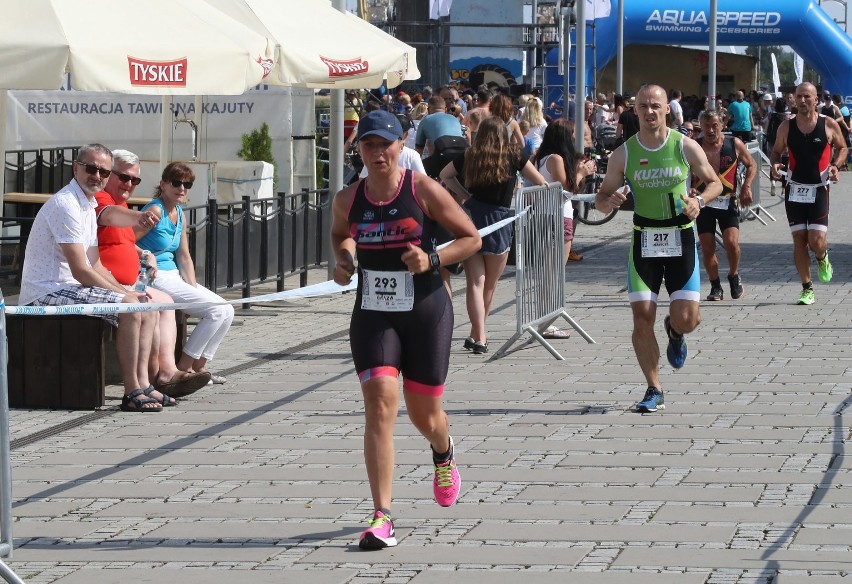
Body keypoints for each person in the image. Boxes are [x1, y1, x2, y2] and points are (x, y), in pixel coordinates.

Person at [330, 111, 481, 550]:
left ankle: (443, 450)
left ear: (402, 146)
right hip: (374, 314)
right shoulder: (347, 198)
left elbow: (470, 238)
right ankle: (382, 515)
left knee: (425, 416)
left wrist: (432, 259)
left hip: (426, 311)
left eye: (385, 144)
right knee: (379, 403)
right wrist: (343, 260)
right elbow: (342, 235)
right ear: (358, 150)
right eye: (368, 145)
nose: (377, 153)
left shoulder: (423, 190)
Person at [594, 84, 723, 413]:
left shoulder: (684, 146)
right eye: (643, 106)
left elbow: (715, 183)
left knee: (688, 319)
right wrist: (610, 200)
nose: (649, 111)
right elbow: (600, 200)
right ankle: (654, 388)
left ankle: (676, 332)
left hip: (680, 237)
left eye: (655, 105)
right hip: (644, 239)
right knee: (641, 319)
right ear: (634, 110)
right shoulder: (623, 154)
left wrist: (699, 201)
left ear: (667, 109)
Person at [19, 144, 166, 412]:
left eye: (104, 172)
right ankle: (131, 391)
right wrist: (124, 296)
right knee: (131, 308)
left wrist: (125, 291)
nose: (97, 176)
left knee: (146, 305)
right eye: (91, 168)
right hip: (45, 292)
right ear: (76, 168)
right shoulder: (66, 203)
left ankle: (144, 385)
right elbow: (80, 270)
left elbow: (95, 263)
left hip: (66, 288)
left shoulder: (87, 203)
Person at [95, 149, 212, 398]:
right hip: (106, 281)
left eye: (134, 180)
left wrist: (142, 253)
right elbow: (108, 219)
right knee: (145, 307)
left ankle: (165, 372)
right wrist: (142, 217)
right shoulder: (102, 201)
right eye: (123, 177)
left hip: (131, 279)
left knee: (165, 303)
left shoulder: (121, 202)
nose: (129, 184)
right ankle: (143, 382)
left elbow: (127, 241)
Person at [440, 116, 548, 354]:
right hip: (500, 220)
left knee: (475, 284)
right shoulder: (513, 155)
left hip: (471, 220)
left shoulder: (471, 154)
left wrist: (464, 194)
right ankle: (479, 335)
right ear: (504, 135)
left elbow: (445, 174)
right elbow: (539, 180)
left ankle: (477, 335)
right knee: (490, 285)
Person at [135, 162, 235, 382]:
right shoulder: (154, 210)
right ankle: (183, 369)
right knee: (215, 312)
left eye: (187, 184)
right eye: (176, 182)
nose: (182, 188)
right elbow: (125, 241)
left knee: (227, 310)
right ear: (163, 184)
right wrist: (145, 255)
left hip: (173, 276)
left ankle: (200, 369)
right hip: (154, 277)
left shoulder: (179, 213)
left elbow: (184, 256)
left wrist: (191, 290)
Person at [770, 82, 848, 305]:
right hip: (794, 188)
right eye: (798, 97)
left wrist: (835, 165)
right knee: (799, 240)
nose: (802, 101)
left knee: (816, 240)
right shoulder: (786, 126)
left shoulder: (829, 124)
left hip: (819, 189)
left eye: (806, 96)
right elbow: (775, 152)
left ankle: (822, 256)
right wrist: (775, 165)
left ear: (816, 100)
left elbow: (842, 147)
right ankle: (807, 288)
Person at [692, 110, 756, 301]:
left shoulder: (733, 143)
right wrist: (689, 190)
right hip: (704, 203)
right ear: (701, 127)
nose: (711, 130)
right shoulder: (694, 147)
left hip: (728, 201)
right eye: (706, 126)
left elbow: (751, 164)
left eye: (715, 125)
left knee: (732, 244)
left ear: (722, 125)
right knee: (708, 247)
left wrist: (747, 186)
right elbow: (683, 171)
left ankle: (734, 275)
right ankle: (715, 286)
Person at [533, 117, 596, 302]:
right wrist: (581, 173)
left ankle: (546, 314)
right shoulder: (555, 158)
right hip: (557, 216)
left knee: (550, 269)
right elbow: (566, 190)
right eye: (573, 135)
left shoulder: (542, 157)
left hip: (545, 213)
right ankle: (548, 316)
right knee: (555, 269)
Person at [358, 114, 425, 178]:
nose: (378, 151)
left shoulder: (412, 155)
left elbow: (423, 181)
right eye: (369, 144)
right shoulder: (372, 159)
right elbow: (363, 178)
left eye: (386, 143)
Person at [415, 96, 464, 177]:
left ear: (428, 109)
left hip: (442, 157)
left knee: (418, 172)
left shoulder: (426, 120)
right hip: (462, 156)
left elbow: (418, 150)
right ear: (445, 109)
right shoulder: (454, 119)